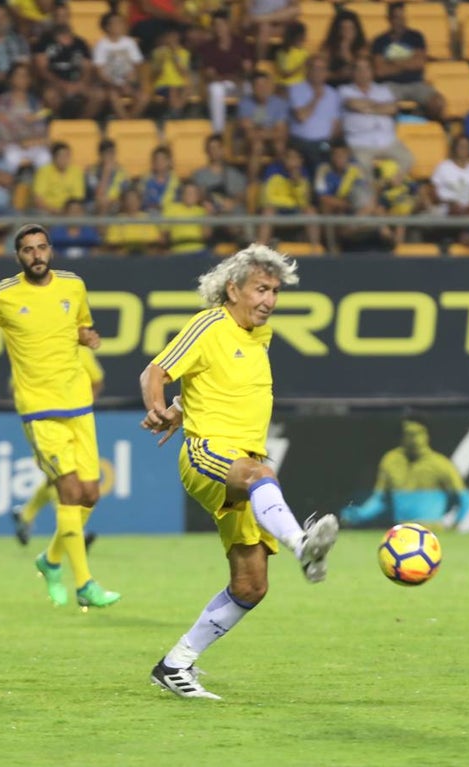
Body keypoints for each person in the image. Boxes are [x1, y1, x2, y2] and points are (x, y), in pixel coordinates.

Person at [140, 244, 339, 699]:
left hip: (243, 461)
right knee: (260, 476)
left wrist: (179, 408)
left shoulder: (258, 335)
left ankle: (175, 664)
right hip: (208, 453)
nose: (269, 300)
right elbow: (156, 370)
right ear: (233, 289)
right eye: (260, 289)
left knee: (250, 586)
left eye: (274, 291)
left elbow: (214, 381)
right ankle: (302, 545)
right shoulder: (210, 323)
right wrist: (157, 405)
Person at [0, 225, 120, 609]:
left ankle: (50, 560)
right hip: (39, 409)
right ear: (18, 256)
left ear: (50, 250)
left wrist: (88, 337)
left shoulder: (73, 286)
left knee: (90, 494)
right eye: (28, 250)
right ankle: (84, 584)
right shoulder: (2, 295)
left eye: (41, 247)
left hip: (79, 403)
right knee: (69, 490)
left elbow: (79, 327)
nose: (36, 255)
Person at [13, 344, 106, 547]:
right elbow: (16, 384)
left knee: (59, 478)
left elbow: (97, 380)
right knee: (60, 477)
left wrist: (82, 405)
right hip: (45, 424)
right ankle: (75, 530)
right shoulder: (36, 349)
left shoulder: (79, 351)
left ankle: (26, 514)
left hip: (76, 423)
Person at [340, 412, 469, 528]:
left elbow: (464, 498)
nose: (415, 439)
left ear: (427, 435)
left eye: (419, 432)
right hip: (401, 530)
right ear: (401, 436)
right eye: (409, 434)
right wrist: (360, 514)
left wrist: (455, 525)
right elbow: (381, 500)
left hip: (432, 531)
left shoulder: (441, 464)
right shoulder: (390, 460)